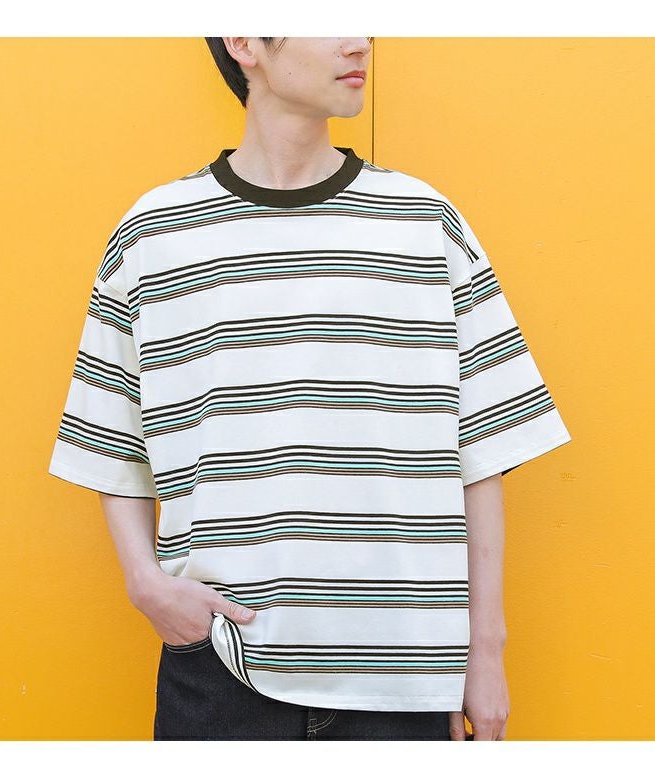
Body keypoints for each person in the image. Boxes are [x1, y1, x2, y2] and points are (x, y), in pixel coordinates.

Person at [47, 37, 572, 741]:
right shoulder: (155, 234)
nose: (360, 41)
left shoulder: (422, 222)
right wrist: (146, 584)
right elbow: (108, 437)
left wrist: (486, 650)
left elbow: (482, 450)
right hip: (222, 667)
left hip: (404, 678)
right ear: (244, 41)